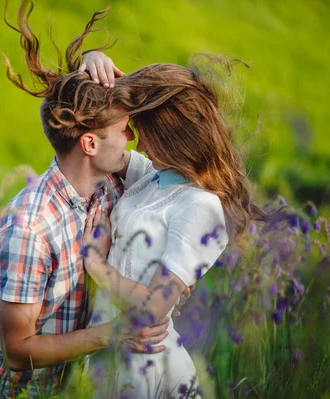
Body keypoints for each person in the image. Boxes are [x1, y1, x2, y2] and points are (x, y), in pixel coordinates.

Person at [0, 2, 192, 397]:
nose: (133, 139)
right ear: (89, 143)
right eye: (124, 130)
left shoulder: (110, 184)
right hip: (8, 389)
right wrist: (117, 333)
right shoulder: (29, 230)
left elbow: (179, 174)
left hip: (61, 384)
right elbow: (17, 352)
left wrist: (93, 63)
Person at [79, 53, 267, 398]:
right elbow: (94, 143)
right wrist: (94, 66)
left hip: (146, 364)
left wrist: (95, 264)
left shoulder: (202, 207)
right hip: (112, 353)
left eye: (145, 130)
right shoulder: (154, 176)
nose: (136, 139)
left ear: (170, 136)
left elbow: (152, 308)